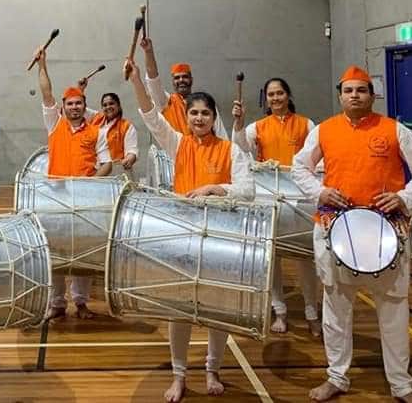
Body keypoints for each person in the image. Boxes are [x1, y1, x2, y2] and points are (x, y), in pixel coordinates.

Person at [292, 65, 412, 402]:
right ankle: (336, 377)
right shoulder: (325, 130)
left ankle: (401, 385)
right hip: (335, 230)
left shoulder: (394, 130)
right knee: (336, 310)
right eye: (348, 91)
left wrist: (403, 198)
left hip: (386, 232)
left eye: (361, 90)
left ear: (372, 95)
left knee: (393, 310)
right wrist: (319, 192)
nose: (355, 96)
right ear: (340, 96)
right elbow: (299, 167)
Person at [124, 57, 254, 403]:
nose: (199, 118)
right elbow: (151, 116)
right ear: (187, 117)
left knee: (217, 308)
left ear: (214, 117)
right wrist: (136, 80)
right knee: (178, 310)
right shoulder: (178, 144)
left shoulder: (230, 150)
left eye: (205, 113)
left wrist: (216, 189)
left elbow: (248, 190)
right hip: (183, 235)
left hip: (221, 239)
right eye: (193, 113)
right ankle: (179, 376)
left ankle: (213, 370)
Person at [232, 77, 321, 336]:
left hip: (300, 199)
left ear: (288, 95)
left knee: (306, 258)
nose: (276, 98)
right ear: (266, 99)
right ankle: (279, 310)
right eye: (271, 94)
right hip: (268, 197)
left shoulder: (306, 124)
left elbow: (318, 157)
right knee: (272, 259)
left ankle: (312, 312)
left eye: (280, 93)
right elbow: (240, 148)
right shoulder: (257, 127)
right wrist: (238, 122)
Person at [33, 47, 112, 321]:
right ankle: (56, 304)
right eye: (70, 104)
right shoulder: (54, 125)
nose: (74, 107)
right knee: (55, 252)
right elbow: (46, 93)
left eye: (79, 104)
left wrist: (90, 184)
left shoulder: (97, 132)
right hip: (55, 200)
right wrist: (42, 65)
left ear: (84, 106)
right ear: (63, 107)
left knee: (83, 252)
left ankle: (80, 303)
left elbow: (107, 164)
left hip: (85, 202)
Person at [137, 34, 227, 137]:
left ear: (191, 79)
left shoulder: (205, 103)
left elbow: (221, 134)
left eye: (185, 77)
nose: (181, 80)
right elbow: (153, 80)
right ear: (173, 82)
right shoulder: (166, 102)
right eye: (177, 78)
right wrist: (148, 52)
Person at [90, 92, 138, 173]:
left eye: (111, 103)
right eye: (105, 105)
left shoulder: (126, 126)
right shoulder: (96, 120)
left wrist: (130, 158)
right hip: (94, 171)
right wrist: (80, 89)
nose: (108, 107)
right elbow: (79, 108)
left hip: (115, 171)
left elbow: (132, 150)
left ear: (118, 106)